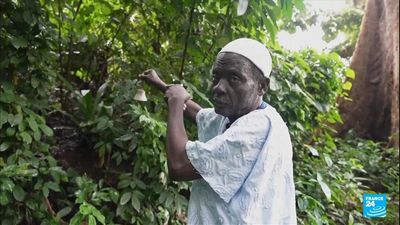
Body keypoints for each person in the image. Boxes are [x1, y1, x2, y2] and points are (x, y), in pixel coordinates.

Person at [140, 38, 296, 224]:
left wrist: (175, 103)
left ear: (261, 85)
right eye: (216, 77)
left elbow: (179, 166)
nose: (219, 87)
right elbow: (200, 114)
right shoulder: (246, 113)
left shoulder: (255, 130)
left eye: (234, 78)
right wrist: (162, 85)